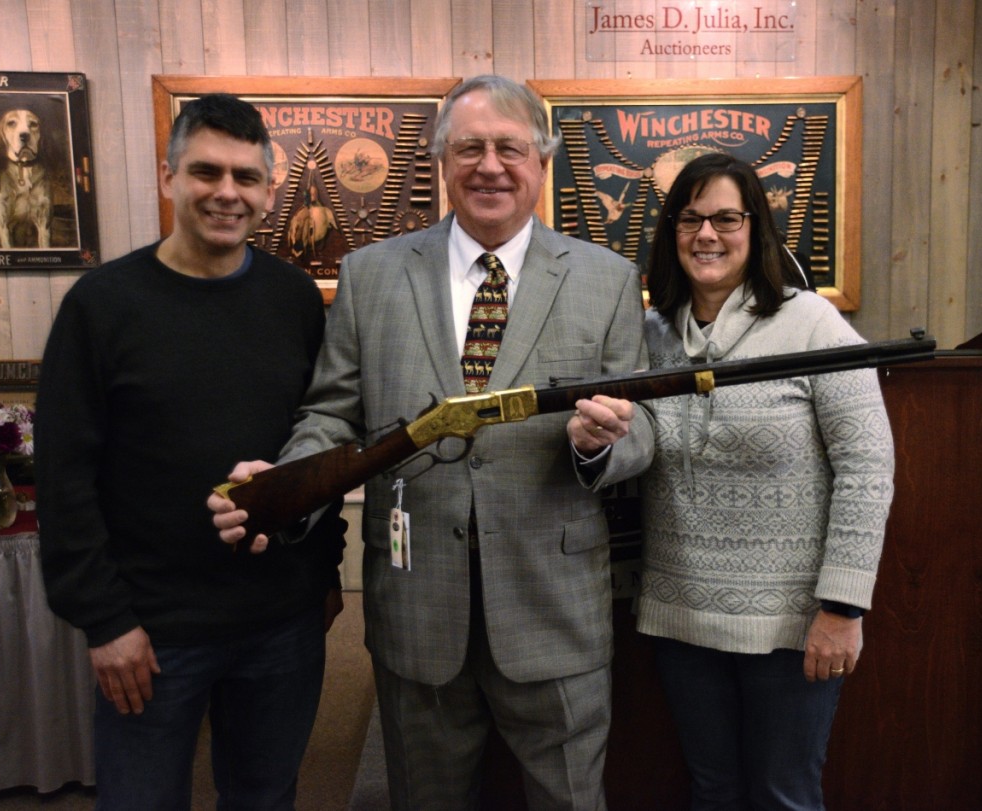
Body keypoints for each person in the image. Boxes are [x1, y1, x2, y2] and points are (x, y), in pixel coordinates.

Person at [210, 75, 653, 811]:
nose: (489, 165)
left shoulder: (605, 280)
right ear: (442, 161)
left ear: (540, 162)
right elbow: (333, 415)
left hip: (555, 607)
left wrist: (600, 445)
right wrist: (286, 481)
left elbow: (646, 430)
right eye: (469, 147)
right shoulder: (371, 273)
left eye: (509, 148)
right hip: (418, 605)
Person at [35, 93, 346, 811]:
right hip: (152, 631)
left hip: (280, 620)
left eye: (245, 176)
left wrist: (324, 566)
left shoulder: (294, 298)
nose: (226, 192)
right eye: (207, 171)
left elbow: (320, 437)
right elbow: (64, 480)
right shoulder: (101, 305)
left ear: (269, 189)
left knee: (264, 796)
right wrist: (105, 622)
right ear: (169, 175)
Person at [635, 152, 895, 810]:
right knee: (711, 790)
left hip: (792, 624)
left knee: (785, 795)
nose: (707, 235)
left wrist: (842, 607)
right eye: (689, 219)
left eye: (726, 217)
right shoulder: (652, 333)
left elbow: (867, 465)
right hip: (680, 613)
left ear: (756, 228)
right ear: (671, 231)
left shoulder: (811, 322)